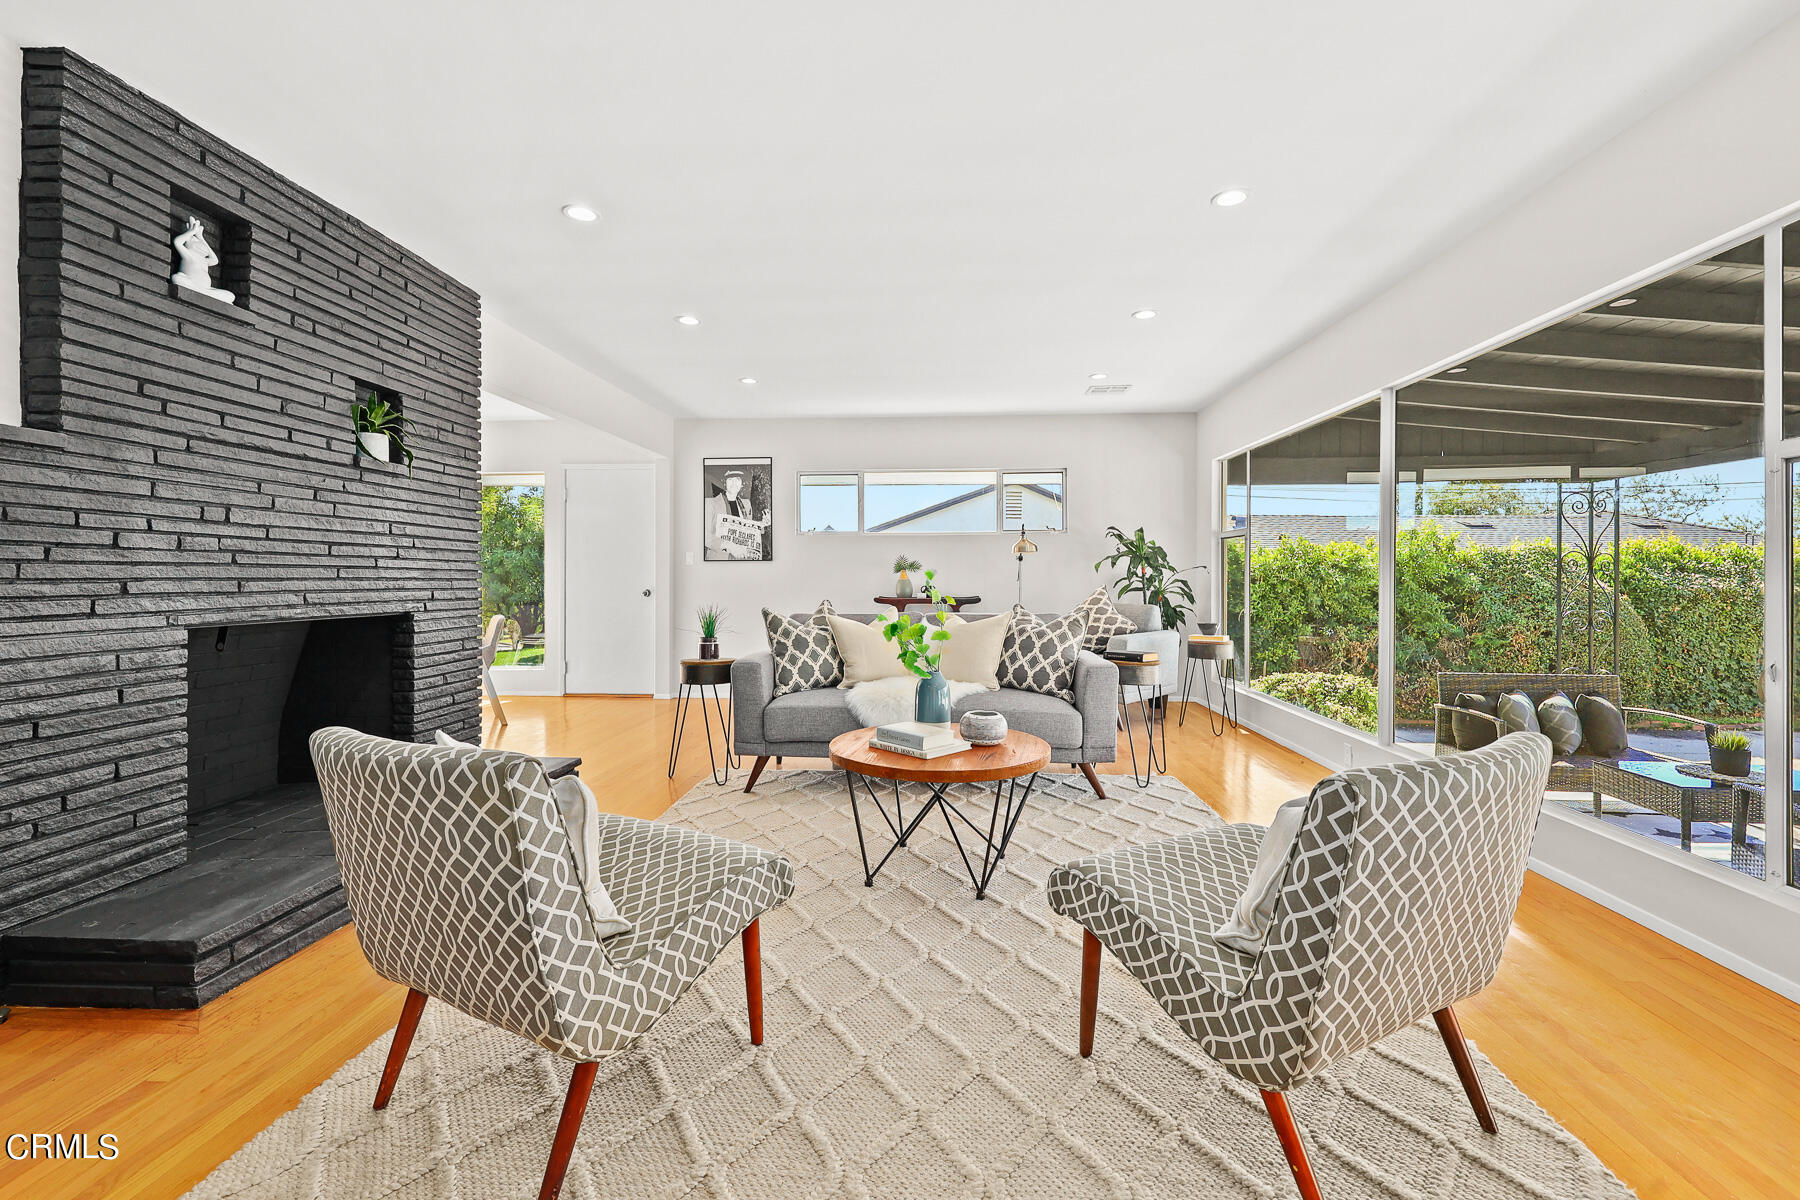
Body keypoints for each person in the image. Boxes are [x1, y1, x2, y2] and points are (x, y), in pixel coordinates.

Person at [704, 469, 770, 559]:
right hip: (720, 558)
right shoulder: (710, 503)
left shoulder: (746, 504)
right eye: (730, 479)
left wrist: (763, 524)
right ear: (724, 483)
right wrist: (728, 545)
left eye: (738, 479)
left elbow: (747, 528)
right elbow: (705, 535)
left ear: (741, 484)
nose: (734, 483)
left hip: (742, 557)